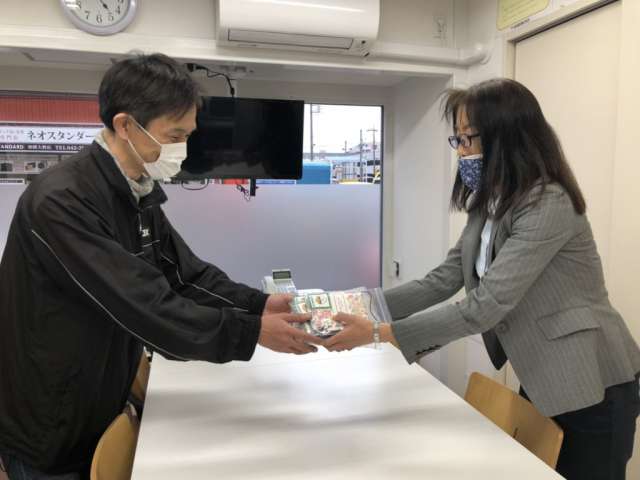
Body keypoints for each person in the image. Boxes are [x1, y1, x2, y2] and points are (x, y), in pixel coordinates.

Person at [0, 53, 321, 479]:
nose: (182, 149)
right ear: (125, 125)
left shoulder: (135, 191)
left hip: (99, 392)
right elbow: (142, 306)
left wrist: (259, 305)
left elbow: (185, 275)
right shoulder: (61, 200)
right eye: (174, 135)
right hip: (51, 413)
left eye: (187, 135)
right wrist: (251, 333)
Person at [325, 78, 640, 480]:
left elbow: (484, 306)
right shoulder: (490, 203)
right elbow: (443, 279)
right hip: (543, 376)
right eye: (457, 140)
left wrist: (379, 334)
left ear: (507, 137)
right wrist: (359, 304)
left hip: (594, 381)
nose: (462, 151)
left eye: (468, 138)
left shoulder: (548, 202)